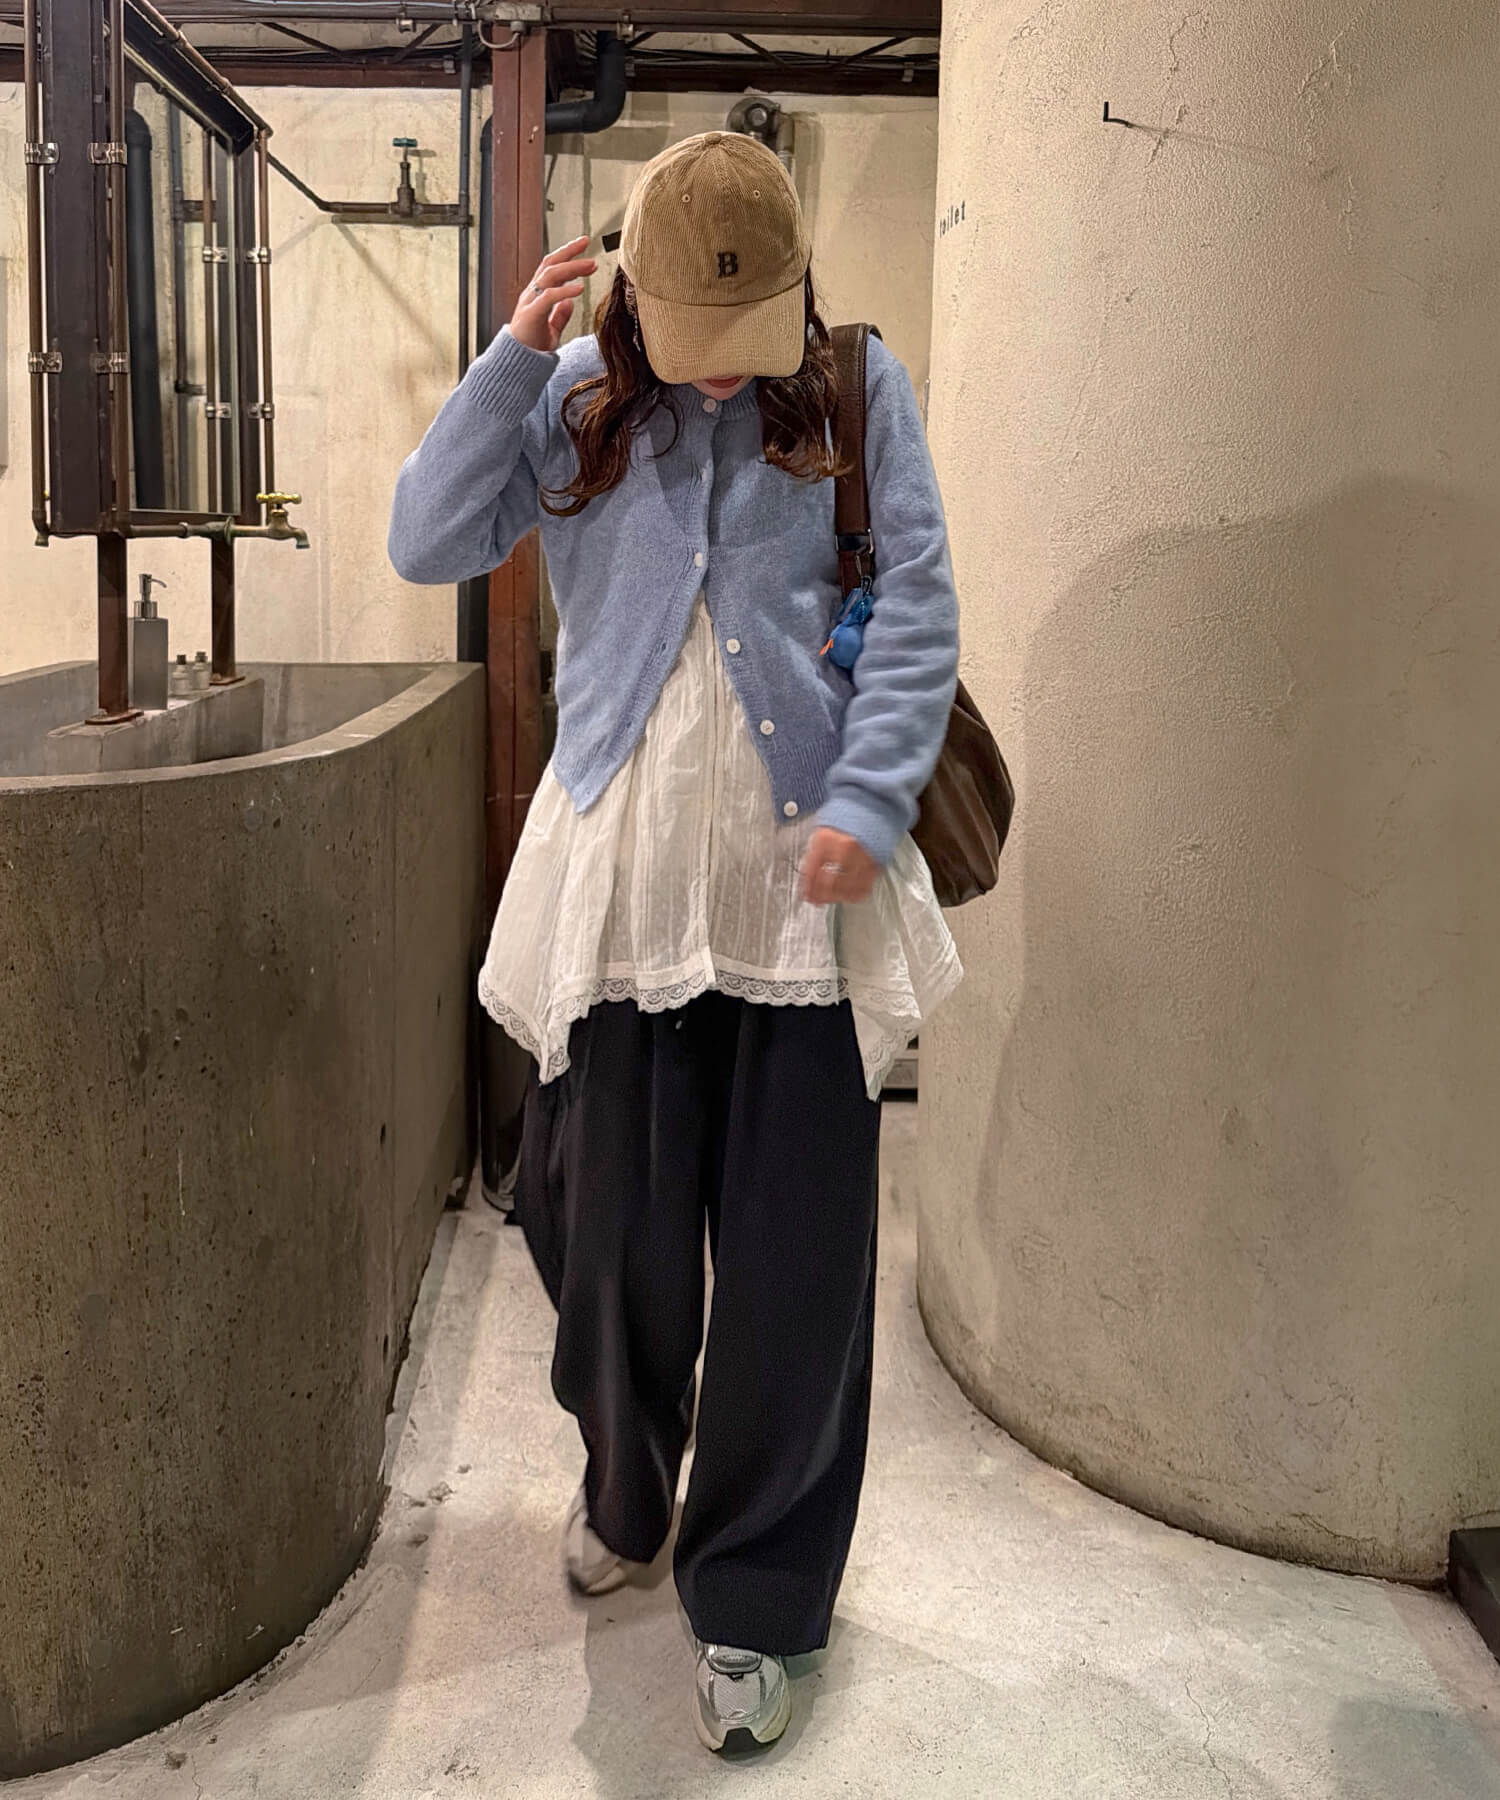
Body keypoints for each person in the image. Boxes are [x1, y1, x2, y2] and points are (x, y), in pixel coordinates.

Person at [389, 129, 961, 1754]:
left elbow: (918, 602)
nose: (722, 375)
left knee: (798, 1266)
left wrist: (873, 789)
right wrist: (509, 363)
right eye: (693, 337)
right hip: (626, 886)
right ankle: (630, 1485)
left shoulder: (854, 388)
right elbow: (427, 539)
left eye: (747, 334)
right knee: (598, 1229)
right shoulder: (574, 392)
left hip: (801, 894)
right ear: (627, 292)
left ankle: (759, 1596)